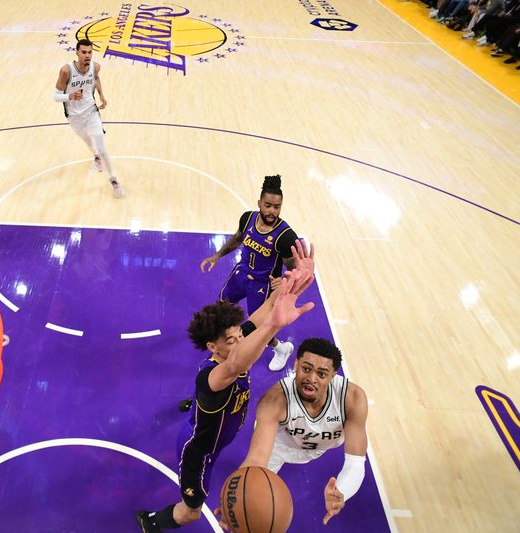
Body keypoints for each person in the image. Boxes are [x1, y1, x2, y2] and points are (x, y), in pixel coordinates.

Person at [136, 241, 316, 533]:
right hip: (199, 452)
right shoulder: (214, 377)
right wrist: (273, 327)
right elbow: (236, 366)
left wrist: (295, 280)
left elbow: (263, 314)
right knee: (192, 512)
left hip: (215, 429)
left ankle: (193, 408)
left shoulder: (233, 343)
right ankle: (151, 522)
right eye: (232, 341)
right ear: (212, 347)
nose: (239, 341)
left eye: (238, 336)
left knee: (204, 409)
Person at [218, 338, 369, 528]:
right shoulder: (275, 400)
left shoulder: (352, 399)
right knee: (253, 504)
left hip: (316, 450)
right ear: (296, 365)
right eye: (306, 369)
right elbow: (256, 460)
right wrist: (234, 501)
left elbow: (355, 463)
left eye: (321, 374)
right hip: (278, 448)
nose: (312, 378)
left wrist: (342, 492)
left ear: (333, 376)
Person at [200, 174, 300, 372]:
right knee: (222, 305)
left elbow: (293, 265)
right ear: (259, 203)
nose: (272, 211)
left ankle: (281, 348)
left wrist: (286, 280)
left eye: (277, 207)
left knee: (259, 325)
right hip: (241, 273)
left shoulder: (285, 236)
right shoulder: (248, 218)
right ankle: (224, 339)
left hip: (263, 284)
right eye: (268, 205)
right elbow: (238, 239)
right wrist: (218, 255)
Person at [53, 38, 123, 198]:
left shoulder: (95, 67)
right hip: (74, 117)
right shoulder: (66, 71)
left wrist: (101, 95)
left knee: (102, 146)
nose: (87, 55)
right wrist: (69, 96)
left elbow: (96, 78)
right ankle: (95, 157)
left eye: (90, 52)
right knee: (89, 143)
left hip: (92, 112)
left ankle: (113, 178)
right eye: (84, 52)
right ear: (77, 53)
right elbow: (55, 96)